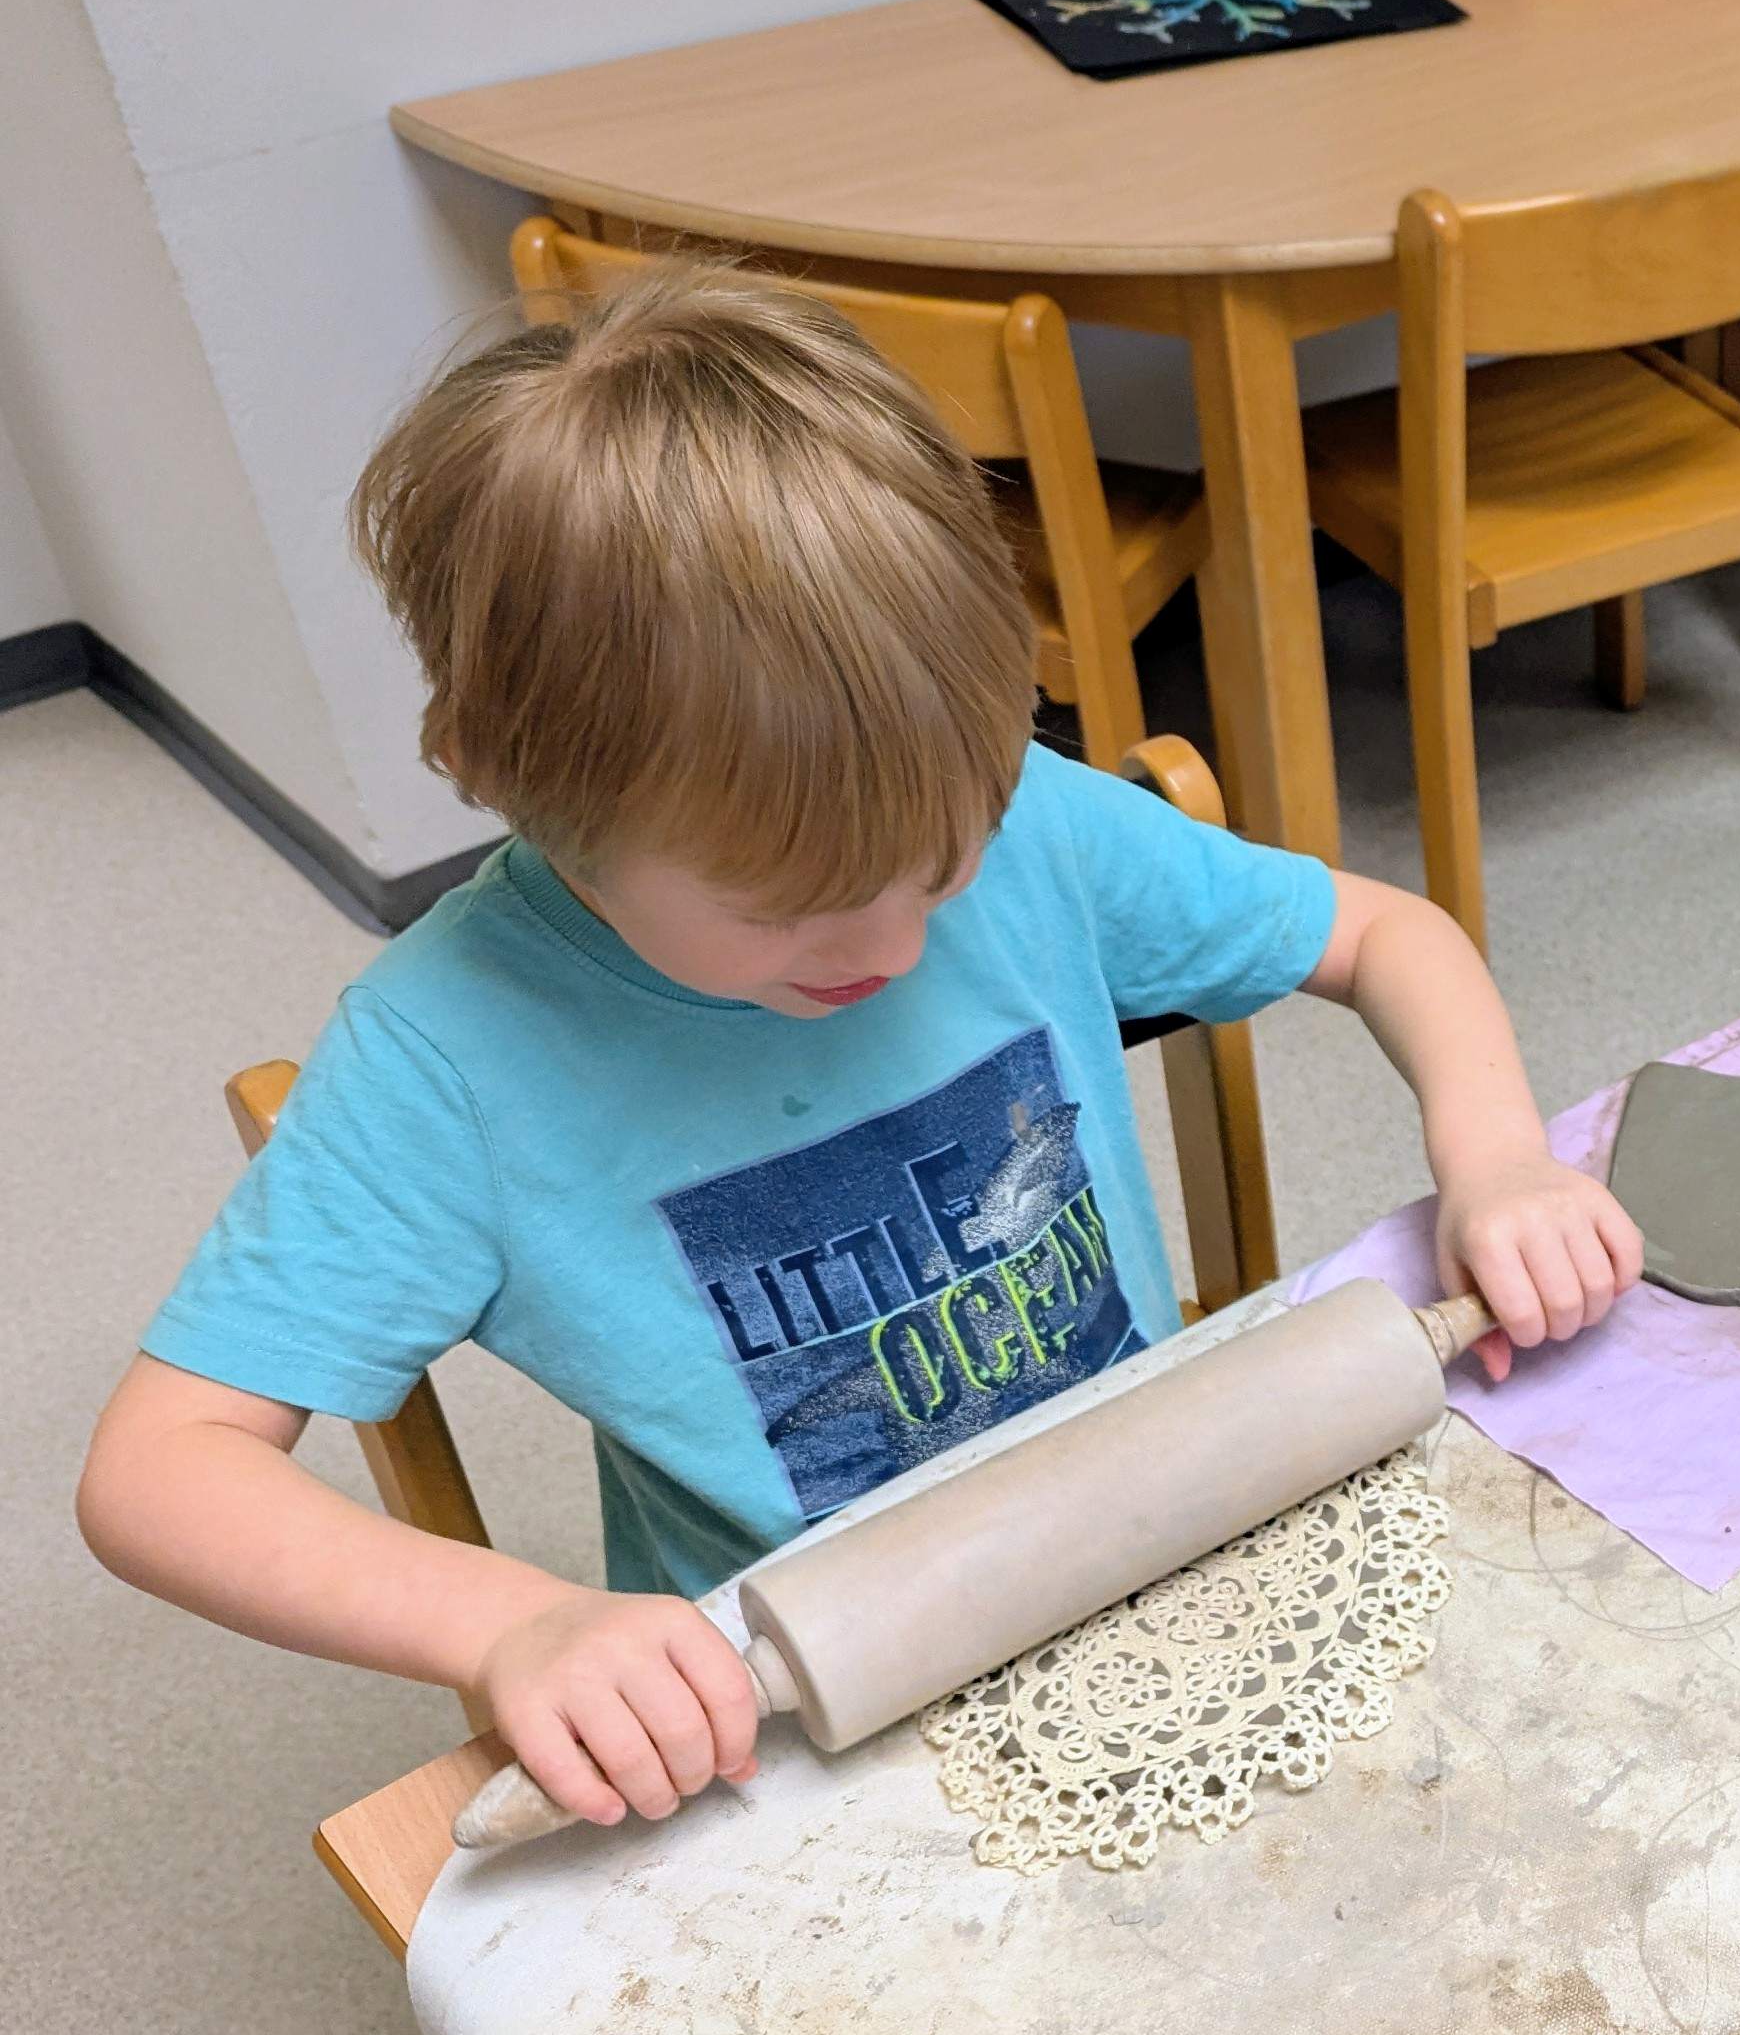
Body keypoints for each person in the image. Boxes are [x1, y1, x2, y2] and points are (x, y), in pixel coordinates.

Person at [79, 268, 1640, 1829]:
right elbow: (159, 1472)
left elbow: (1389, 937)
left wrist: (1498, 1158)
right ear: (512, 777)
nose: (891, 947)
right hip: (807, 1703)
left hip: (1152, 1530)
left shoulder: (1031, 822)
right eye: (790, 908)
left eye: (940, 865)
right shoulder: (448, 1059)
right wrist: (510, 1626)